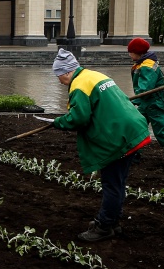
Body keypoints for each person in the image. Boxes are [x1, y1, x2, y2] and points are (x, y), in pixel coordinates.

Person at [47, 48, 152, 242]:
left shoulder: (79, 84)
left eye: (59, 75)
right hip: (130, 130)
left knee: (111, 183)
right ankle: (112, 221)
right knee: (118, 182)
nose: (59, 80)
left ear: (68, 71)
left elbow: (79, 118)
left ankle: (104, 226)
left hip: (119, 137)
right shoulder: (93, 75)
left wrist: (59, 122)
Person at [127, 37, 164, 171]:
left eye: (130, 51)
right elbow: (142, 91)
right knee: (136, 127)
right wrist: (135, 101)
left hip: (154, 104)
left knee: (161, 131)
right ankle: (134, 155)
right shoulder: (142, 64)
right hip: (146, 103)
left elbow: (145, 88)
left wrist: (128, 99)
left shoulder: (147, 66)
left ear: (136, 52)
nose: (129, 54)